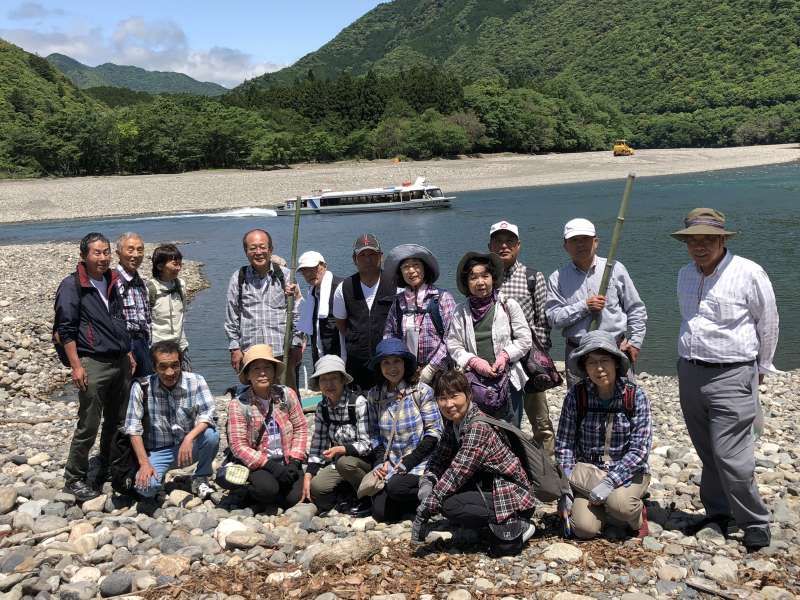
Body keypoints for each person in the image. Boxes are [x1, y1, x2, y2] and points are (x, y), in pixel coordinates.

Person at [672, 208, 778, 551]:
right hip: (689, 371)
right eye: (693, 240)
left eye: (707, 240)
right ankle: (718, 512)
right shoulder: (684, 274)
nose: (699, 246)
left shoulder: (749, 272)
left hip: (732, 372)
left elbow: (769, 323)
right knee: (707, 450)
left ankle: (754, 521)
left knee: (732, 455)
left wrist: (762, 367)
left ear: (722, 240)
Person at [413, 370, 537, 556]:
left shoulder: (478, 427)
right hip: (486, 485)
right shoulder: (454, 423)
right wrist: (428, 479)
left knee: (449, 505)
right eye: (442, 398)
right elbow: (439, 457)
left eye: (454, 396)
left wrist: (426, 509)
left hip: (510, 493)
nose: (449, 404)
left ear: (468, 395)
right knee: (444, 496)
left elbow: (458, 471)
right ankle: (482, 524)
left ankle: (521, 523)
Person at [54, 232, 134, 502]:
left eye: (106, 252)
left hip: (119, 360)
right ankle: (74, 477)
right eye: (96, 253)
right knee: (88, 423)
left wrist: (128, 351)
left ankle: (107, 464)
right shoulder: (72, 285)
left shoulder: (111, 280)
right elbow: (65, 330)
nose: (103, 257)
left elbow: (119, 319)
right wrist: (76, 366)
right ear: (84, 256)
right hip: (93, 362)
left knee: (117, 419)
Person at [555, 330, 652, 540]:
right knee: (583, 529)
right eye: (591, 363)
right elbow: (564, 445)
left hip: (626, 470)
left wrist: (610, 482)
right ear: (584, 367)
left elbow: (640, 451)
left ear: (616, 362)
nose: (599, 368)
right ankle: (606, 513)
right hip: (588, 471)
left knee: (622, 506)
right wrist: (565, 490)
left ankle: (636, 515)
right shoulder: (576, 395)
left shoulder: (634, 396)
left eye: (605, 360)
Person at [545, 218, 647, 387]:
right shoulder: (557, 278)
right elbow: (554, 319)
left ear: (596, 242)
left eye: (585, 239)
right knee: (581, 405)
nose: (580, 245)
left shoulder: (615, 268)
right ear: (565, 246)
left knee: (623, 402)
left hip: (616, 350)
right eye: (574, 240)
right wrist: (584, 306)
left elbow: (635, 308)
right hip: (578, 353)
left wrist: (635, 342)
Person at [124, 340, 219, 500]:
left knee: (211, 435)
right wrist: (144, 464)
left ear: (181, 364)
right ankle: (157, 477)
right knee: (146, 489)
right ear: (154, 367)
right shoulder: (141, 387)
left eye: (175, 365)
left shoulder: (196, 381)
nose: (170, 372)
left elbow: (209, 413)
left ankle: (200, 477)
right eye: (163, 366)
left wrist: (189, 438)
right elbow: (133, 428)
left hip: (188, 447)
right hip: (158, 451)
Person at [446, 252, 532, 422]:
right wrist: (473, 361)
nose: (480, 282)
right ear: (466, 283)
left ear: (493, 278)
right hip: (474, 382)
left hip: (508, 379)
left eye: (485, 276)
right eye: (473, 278)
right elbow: (454, 345)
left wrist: (505, 355)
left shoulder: (508, 305)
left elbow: (524, 339)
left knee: (512, 432)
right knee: (478, 429)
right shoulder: (460, 311)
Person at [488, 220, 554, 441]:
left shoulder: (532, 277)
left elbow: (542, 322)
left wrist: (538, 361)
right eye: (498, 242)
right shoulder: (484, 278)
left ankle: (548, 469)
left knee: (540, 421)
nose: (503, 246)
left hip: (528, 361)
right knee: (503, 419)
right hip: (497, 363)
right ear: (490, 246)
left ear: (518, 246)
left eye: (509, 242)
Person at [365, 338, 443, 522]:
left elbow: (435, 432)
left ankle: (436, 494)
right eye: (386, 362)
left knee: (396, 488)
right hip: (391, 464)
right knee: (381, 513)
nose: (392, 367)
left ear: (405, 363)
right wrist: (379, 462)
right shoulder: (374, 395)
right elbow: (374, 433)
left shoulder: (421, 391)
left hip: (420, 463)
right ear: (379, 366)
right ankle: (415, 505)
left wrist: (410, 461)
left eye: (397, 361)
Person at [222, 344, 307, 510]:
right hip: (260, 462)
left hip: (286, 458)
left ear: (274, 371)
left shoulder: (287, 394)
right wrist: (271, 467)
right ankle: (248, 489)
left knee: (294, 498)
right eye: (255, 368)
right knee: (267, 490)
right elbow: (238, 446)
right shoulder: (238, 405)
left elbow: (301, 428)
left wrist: (295, 461)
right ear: (247, 375)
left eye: (267, 367)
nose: (262, 373)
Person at [224, 229, 301, 391]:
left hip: (281, 351)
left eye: (262, 247)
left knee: (286, 397)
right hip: (252, 353)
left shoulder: (286, 276)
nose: (258, 252)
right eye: (252, 248)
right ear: (246, 252)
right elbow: (232, 316)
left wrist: (296, 345)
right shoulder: (239, 277)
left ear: (270, 249)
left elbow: (299, 313)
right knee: (256, 399)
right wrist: (234, 348)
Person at [301, 355, 372, 517]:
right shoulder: (322, 407)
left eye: (333, 378)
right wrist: (308, 474)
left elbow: (367, 445)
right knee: (316, 487)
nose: (329, 384)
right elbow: (318, 444)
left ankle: (366, 497)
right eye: (323, 380)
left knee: (345, 463)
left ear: (343, 380)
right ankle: (348, 490)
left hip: (362, 461)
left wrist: (342, 449)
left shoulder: (358, 403)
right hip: (338, 463)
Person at [383, 243, 456, 385]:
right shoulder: (398, 302)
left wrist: (431, 368)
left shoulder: (442, 298)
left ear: (425, 269)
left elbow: (452, 337)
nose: (411, 271)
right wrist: (398, 363)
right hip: (406, 373)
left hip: (440, 374)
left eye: (416, 265)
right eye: (405, 267)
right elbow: (388, 335)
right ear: (401, 273)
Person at [333, 233, 399, 390]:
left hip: (390, 362)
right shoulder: (344, 287)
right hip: (357, 364)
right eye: (362, 255)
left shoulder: (396, 283)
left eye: (372, 254)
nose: (368, 259)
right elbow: (341, 324)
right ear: (354, 259)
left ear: (381, 256)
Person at [147, 244, 191, 370]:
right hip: (157, 350)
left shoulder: (180, 285)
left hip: (180, 347)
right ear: (160, 266)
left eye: (180, 264)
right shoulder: (150, 289)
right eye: (174, 264)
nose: (178, 268)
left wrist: (183, 345)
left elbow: (182, 317)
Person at [295, 251, 344, 364]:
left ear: (324, 266)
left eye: (313, 269)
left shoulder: (341, 288)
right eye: (304, 271)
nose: (309, 274)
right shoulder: (312, 293)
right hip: (320, 358)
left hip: (340, 357)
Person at [115, 232, 152, 377]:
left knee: (146, 389)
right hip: (125, 344)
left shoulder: (139, 281)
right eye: (130, 250)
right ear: (119, 253)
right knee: (126, 390)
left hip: (142, 342)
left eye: (140, 250)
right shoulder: (115, 281)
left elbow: (146, 316)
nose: (135, 255)